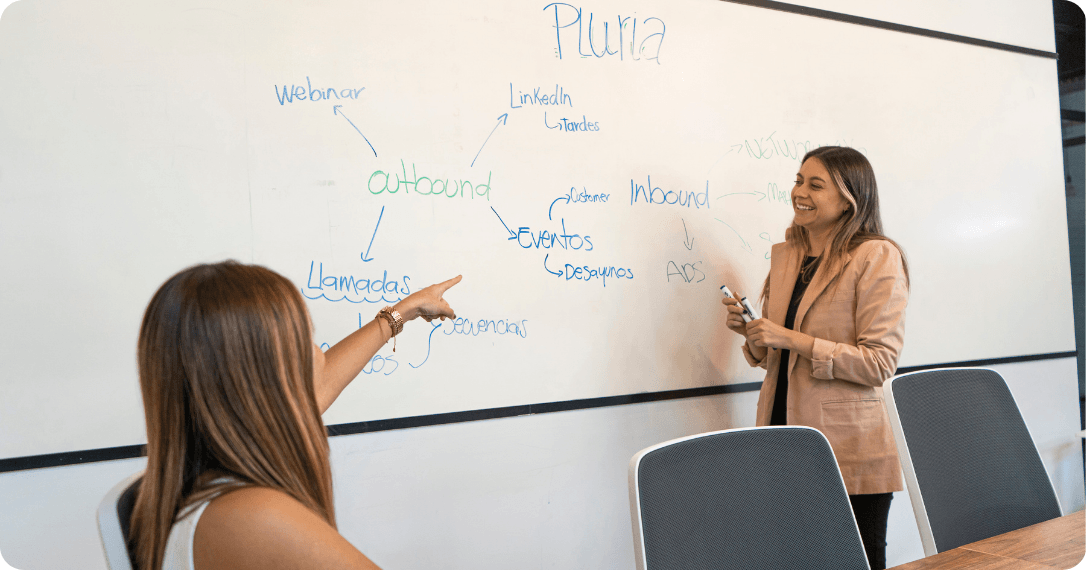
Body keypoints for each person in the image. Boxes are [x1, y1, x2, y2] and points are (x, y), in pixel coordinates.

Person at [129, 260, 461, 570]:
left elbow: (320, 384)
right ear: (266, 379)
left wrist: (403, 311)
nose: (319, 354)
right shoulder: (252, 517)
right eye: (303, 340)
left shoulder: (203, 483)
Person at [722, 146, 909, 570]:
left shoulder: (876, 255)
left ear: (849, 200)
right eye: (798, 180)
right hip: (781, 435)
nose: (800, 192)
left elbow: (878, 363)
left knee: (854, 561)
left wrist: (791, 339)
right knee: (792, 559)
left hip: (847, 446)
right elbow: (778, 356)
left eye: (816, 185)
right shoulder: (787, 254)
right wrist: (753, 335)